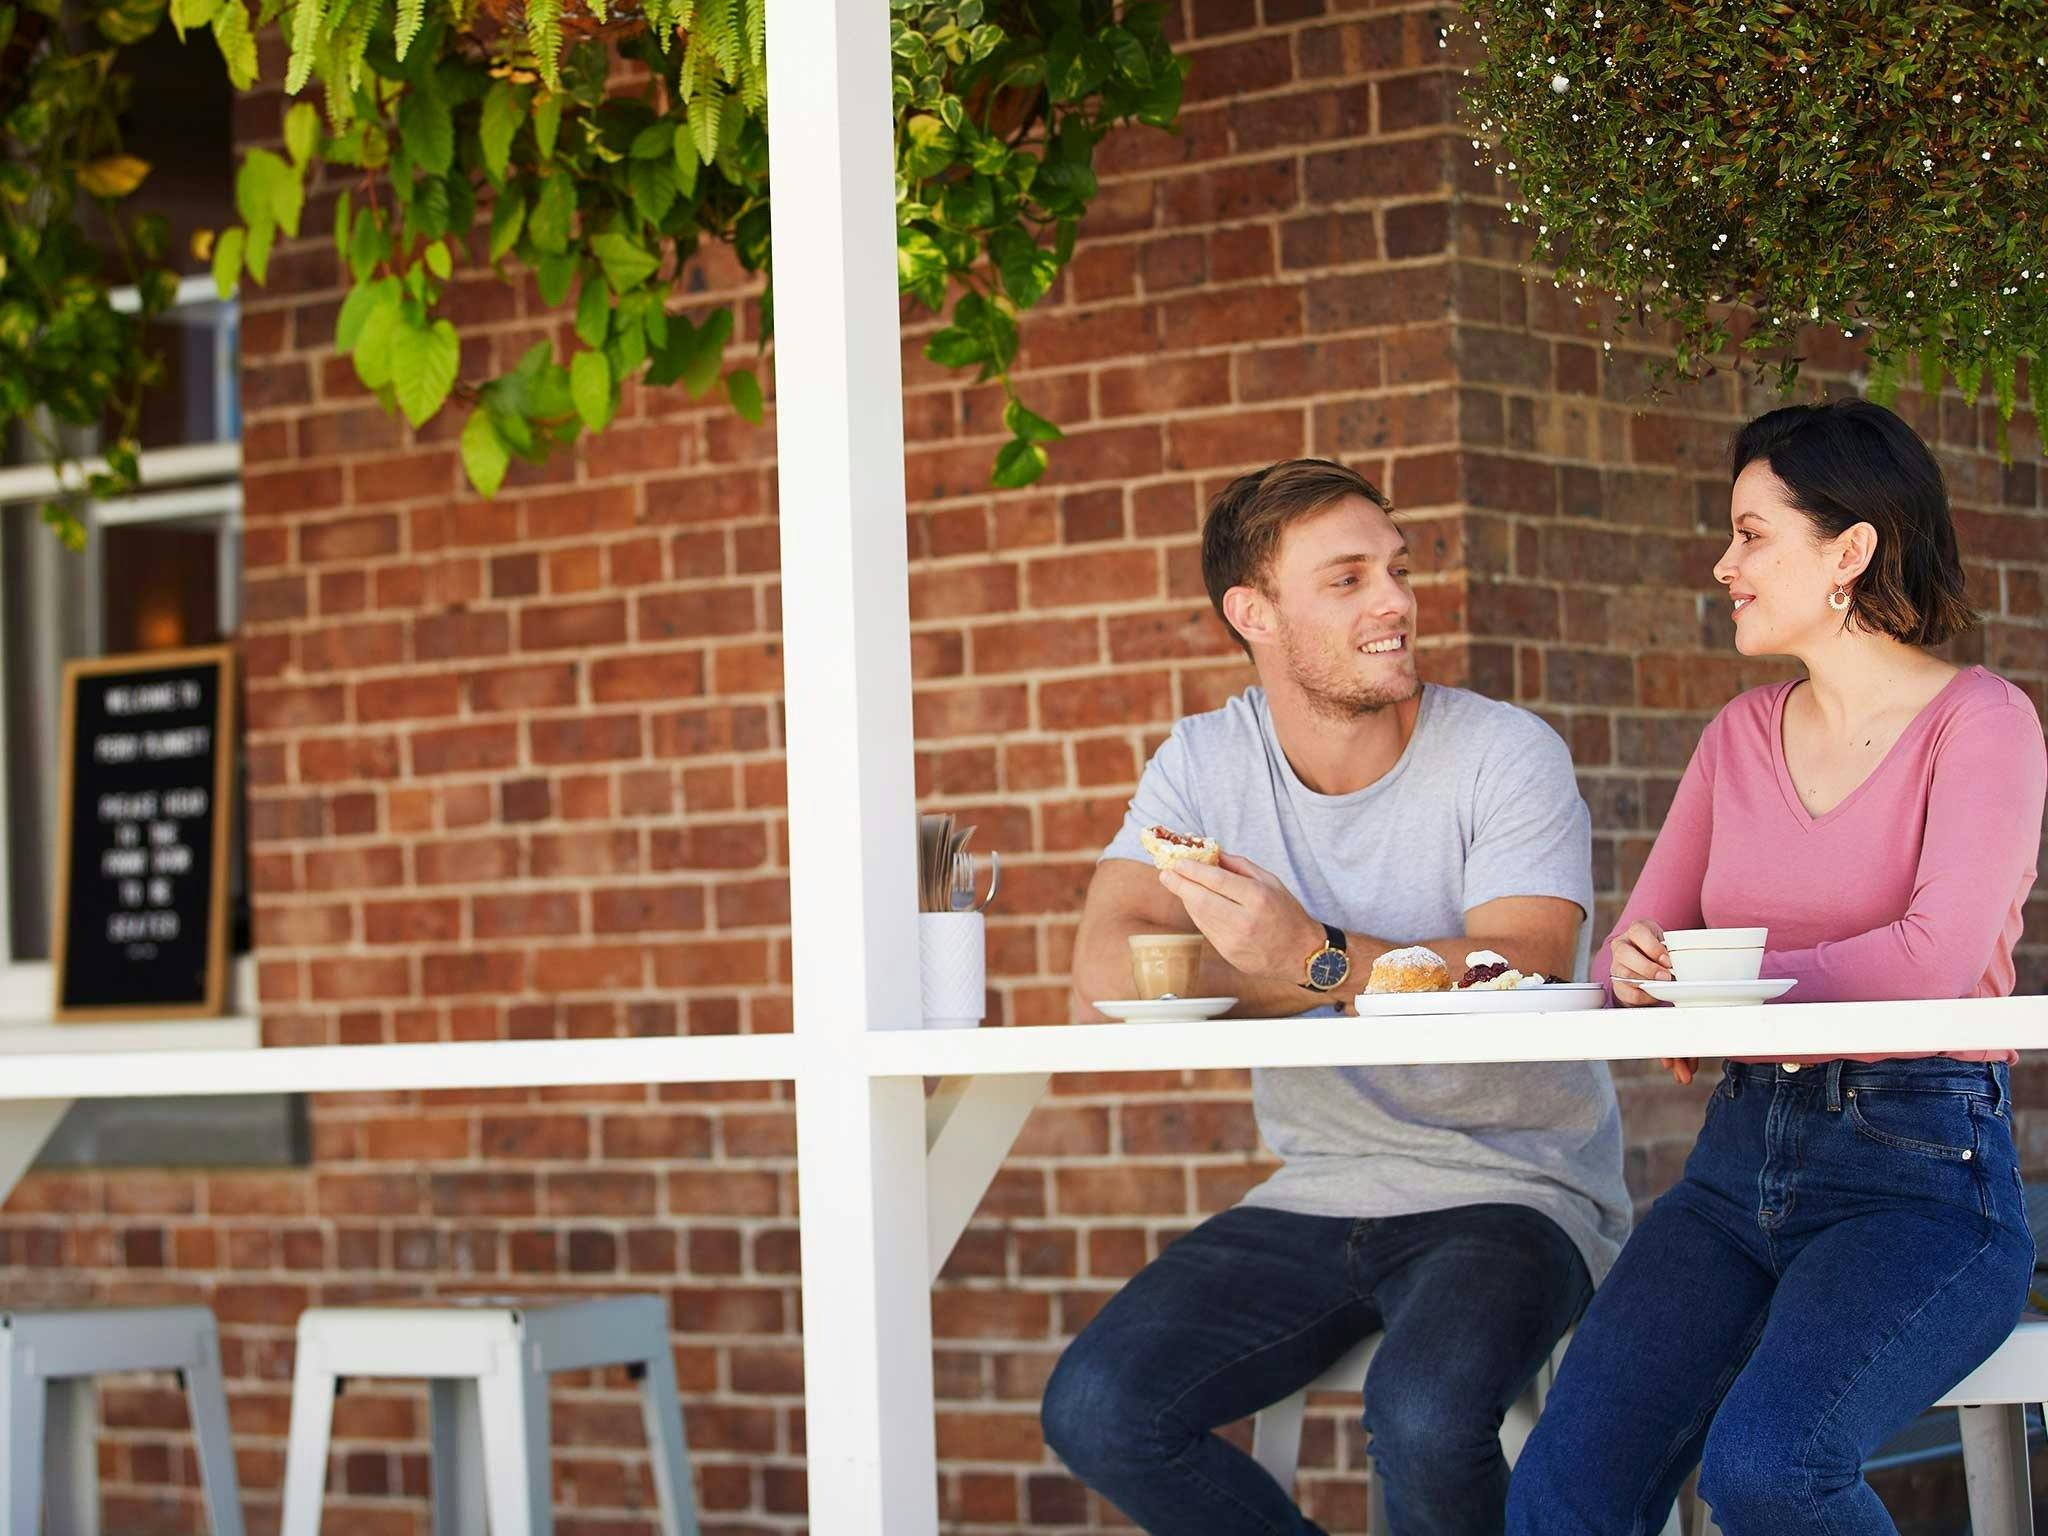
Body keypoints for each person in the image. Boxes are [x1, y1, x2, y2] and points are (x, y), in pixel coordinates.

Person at [1038, 457, 1631, 1536]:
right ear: (1251, 613)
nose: (1395, 602)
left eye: (1394, 571)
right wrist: (1316, 965)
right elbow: (1104, 970)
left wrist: (1307, 956)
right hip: (1315, 1190)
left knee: (1418, 1415)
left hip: (1514, 1192)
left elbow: (1527, 957)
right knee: (1097, 1405)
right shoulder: (1205, 761)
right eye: (1347, 579)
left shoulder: (1502, 752)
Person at [1507, 399, 2047, 1536]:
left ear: (1848, 550)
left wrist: (1719, 998)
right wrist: (1645, 970)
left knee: (1767, 1467)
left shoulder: (1982, 723)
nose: (1723, 563)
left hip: (1919, 1178)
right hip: (1730, 1169)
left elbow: (1934, 960)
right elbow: (1628, 952)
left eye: (1751, 534)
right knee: (1562, 1491)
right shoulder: (1737, 735)